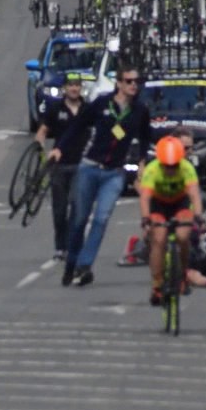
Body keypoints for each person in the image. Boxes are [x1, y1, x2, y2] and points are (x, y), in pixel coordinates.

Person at [50, 64, 153, 287]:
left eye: (137, 82)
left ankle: (85, 265)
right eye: (129, 81)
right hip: (89, 167)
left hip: (114, 172)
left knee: (101, 218)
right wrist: (60, 147)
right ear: (118, 83)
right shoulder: (101, 103)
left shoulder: (140, 110)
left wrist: (142, 161)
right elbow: (77, 126)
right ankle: (72, 262)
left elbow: (146, 136)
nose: (134, 85)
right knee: (78, 221)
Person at [138, 136, 203, 305]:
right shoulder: (151, 170)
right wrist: (145, 218)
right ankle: (157, 284)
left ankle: (183, 275)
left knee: (183, 237)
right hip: (158, 205)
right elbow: (145, 198)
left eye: (174, 166)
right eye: (167, 166)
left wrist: (198, 216)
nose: (171, 170)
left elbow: (194, 194)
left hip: (179, 204)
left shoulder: (187, 168)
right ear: (160, 162)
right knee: (158, 240)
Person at [36, 72, 87, 261]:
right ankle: (60, 247)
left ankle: (74, 245)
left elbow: (106, 128)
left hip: (81, 166)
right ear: (64, 88)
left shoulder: (87, 109)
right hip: (59, 166)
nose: (74, 88)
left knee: (77, 207)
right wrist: (40, 150)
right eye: (70, 85)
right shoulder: (55, 108)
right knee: (59, 210)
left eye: (77, 85)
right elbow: (42, 132)